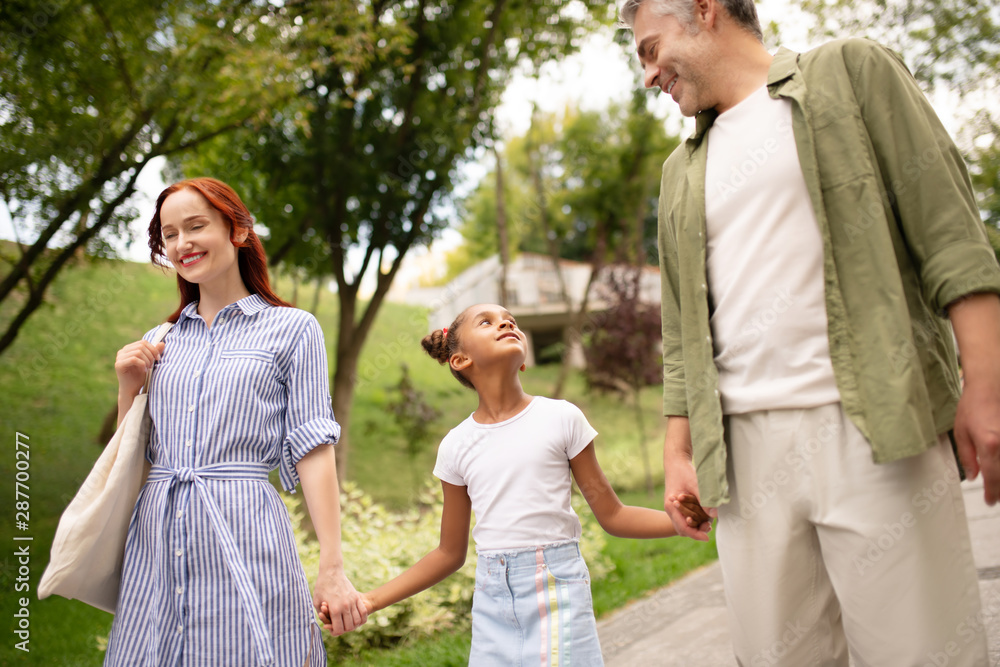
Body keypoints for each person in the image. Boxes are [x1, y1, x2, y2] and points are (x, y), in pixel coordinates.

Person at [621, 0, 1000, 664]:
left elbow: (951, 239)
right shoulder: (680, 174)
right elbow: (681, 331)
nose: (649, 75)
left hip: (875, 430)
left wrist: (986, 387)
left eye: (651, 49)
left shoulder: (850, 74)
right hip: (742, 459)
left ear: (704, 11)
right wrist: (678, 451)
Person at [324, 303, 698, 665]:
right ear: (460, 360)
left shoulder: (561, 418)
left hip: (558, 588)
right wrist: (370, 601)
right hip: (492, 600)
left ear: (522, 358)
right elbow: (449, 553)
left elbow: (613, 514)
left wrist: (678, 522)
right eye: (486, 322)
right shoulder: (456, 445)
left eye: (510, 320)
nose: (505, 323)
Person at [105, 178, 367, 665]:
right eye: (170, 234)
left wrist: (331, 566)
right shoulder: (159, 340)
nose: (182, 243)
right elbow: (128, 461)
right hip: (159, 539)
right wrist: (128, 385)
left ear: (238, 230)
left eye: (196, 226)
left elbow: (313, 447)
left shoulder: (292, 330)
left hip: (246, 530)